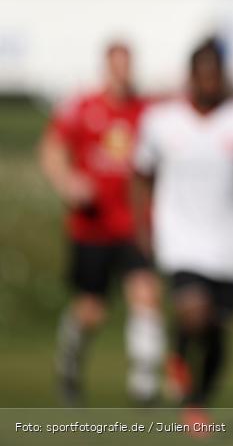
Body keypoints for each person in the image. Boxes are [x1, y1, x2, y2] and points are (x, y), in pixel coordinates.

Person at [132, 38, 233, 427]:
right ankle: (186, 381)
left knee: (215, 328)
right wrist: (142, 226)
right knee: (194, 312)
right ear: (191, 76)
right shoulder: (161, 121)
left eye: (217, 76)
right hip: (179, 238)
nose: (211, 84)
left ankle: (197, 396)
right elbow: (142, 175)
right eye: (204, 76)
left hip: (227, 241)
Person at [39, 41, 164, 405]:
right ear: (106, 68)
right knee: (91, 310)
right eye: (116, 66)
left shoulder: (147, 111)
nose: (122, 74)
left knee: (145, 294)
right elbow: (51, 149)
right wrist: (67, 182)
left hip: (135, 224)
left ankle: (144, 387)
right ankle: (69, 362)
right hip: (91, 226)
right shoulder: (82, 108)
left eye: (128, 66)